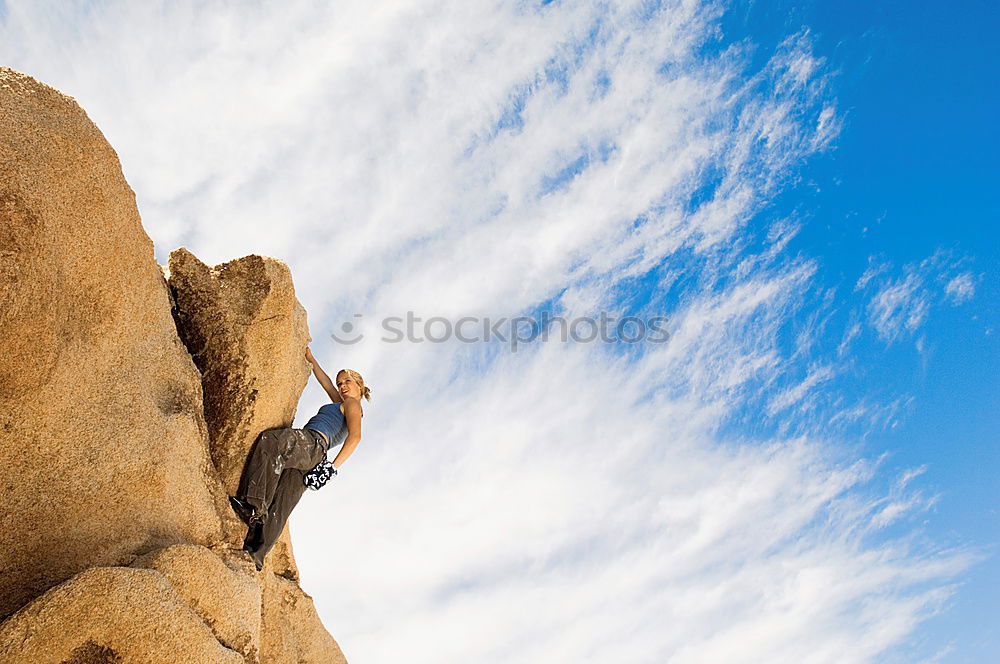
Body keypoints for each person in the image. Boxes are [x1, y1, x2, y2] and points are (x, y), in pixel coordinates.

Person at [228, 347, 370, 570]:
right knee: (281, 505)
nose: (342, 386)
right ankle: (255, 553)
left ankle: (253, 506)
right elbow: (325, 383)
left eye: (347, 382)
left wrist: (332, 469)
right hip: (313, 461)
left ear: (359, 385)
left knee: (272, 441)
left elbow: (356, 437)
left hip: (312, 444)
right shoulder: (340, 402)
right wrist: (311, 358)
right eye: (340, 382)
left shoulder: (353, 404)